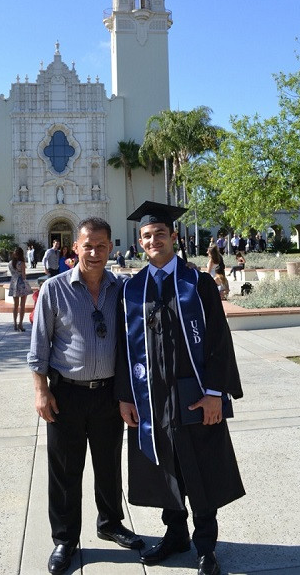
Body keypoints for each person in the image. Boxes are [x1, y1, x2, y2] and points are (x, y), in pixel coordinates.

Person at [115, 201, 245, 575]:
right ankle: (175, 536)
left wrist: (215, 393)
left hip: (194, 395)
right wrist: (125, 396)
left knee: (201, 470)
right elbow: (123, 347)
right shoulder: (132, 289)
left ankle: (206, 547)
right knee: (163, 468)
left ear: (173, 237)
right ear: (140, 241)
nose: (153, 240)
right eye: (146, 235)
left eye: (159, 233)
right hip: (151, 398)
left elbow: (219, 341)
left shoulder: (197, 283)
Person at [27, 217, 144, 575]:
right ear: (75, 247)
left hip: (109, 394)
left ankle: (110, 523)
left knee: (109, 465)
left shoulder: (121, 288)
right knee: (65, 470)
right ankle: (65, 539)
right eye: (87, 246)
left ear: (110, 248)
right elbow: (39, 346)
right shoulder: (54, 289)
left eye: (101, 246)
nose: (94, 253)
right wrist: (41, 390)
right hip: (66, 394)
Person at [8, 246, 32, 331]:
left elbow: (12, 273)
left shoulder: (10, 263)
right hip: (21, 283)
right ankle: (20, 324)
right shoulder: (21, 263)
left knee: (15, 305)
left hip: (13, 283)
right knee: (22, 305)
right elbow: (24, 275)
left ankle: (15, 323)